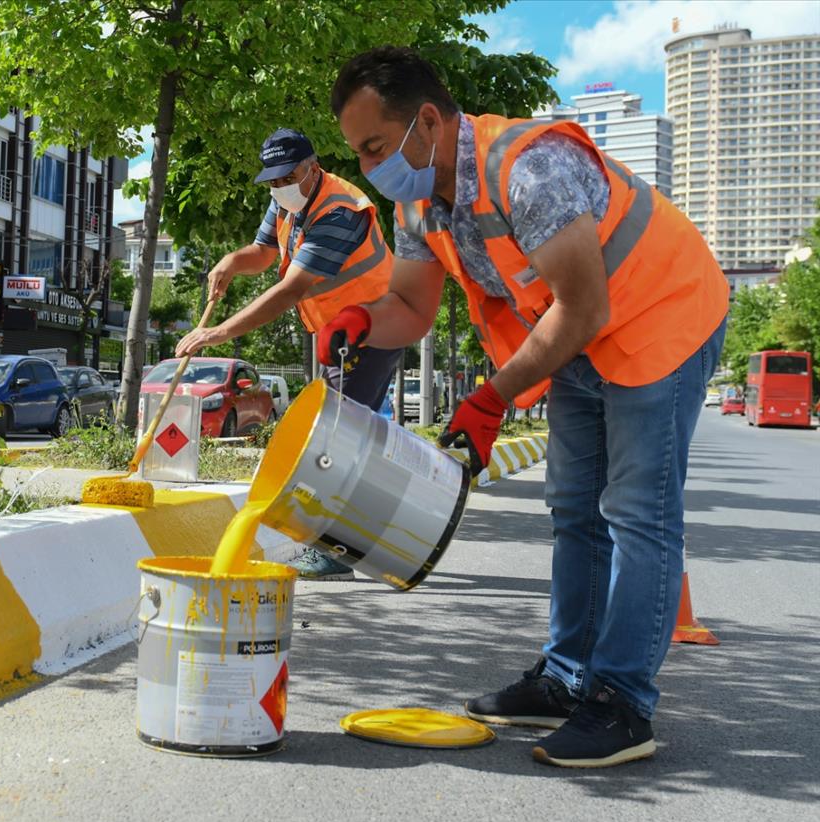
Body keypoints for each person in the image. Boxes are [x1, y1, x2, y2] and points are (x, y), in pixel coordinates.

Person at [324, 46, 727, 768]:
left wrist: (492, 397)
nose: (368, 168)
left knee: (638, 512)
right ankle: (567, 677)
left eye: (376, 148)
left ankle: (623, 703)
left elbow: (583, 303)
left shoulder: (529, 167)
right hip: (580, 336)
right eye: (358, 154)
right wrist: (361, 319)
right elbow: (411, 306)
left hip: (661, 312)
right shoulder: (417, 201)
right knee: (574, 507)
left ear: (425, 121)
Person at [175, 128, 404, 579]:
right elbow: (263, 252)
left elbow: (291, 289)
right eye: (274, 182)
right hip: (337, 332)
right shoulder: (288, 200)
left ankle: (336, 551)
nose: (281, 187)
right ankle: (369, 531)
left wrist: (218, 333)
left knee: (337, 438)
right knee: (350, 432)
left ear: (312, 167)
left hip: (373, 326)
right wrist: (230, 262)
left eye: (289, 177)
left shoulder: (340, 210)